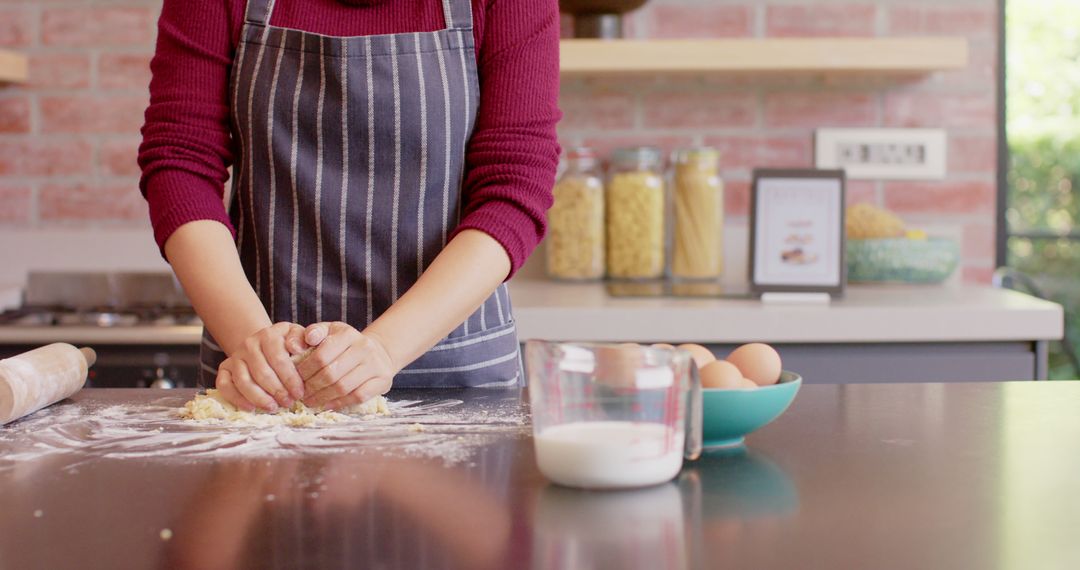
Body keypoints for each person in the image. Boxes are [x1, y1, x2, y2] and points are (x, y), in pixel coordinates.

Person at [138, 0, 560, 411]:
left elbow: (513, 188)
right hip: (264, 378)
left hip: (455, 374)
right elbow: (180, 161)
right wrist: (254, 344)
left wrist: (385, 348)